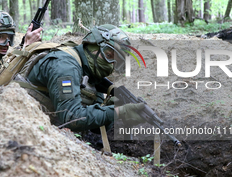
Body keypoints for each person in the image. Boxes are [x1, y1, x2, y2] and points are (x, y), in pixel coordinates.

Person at [14, 24, 145, 132]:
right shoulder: (65, 66)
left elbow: (94, 128)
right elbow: (72, 117)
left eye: (117, 62)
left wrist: (111, 109)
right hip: (21, 126)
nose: (111, 66)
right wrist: (117, 112)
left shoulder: (90, 71)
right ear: (93, 45)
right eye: (109, 55)